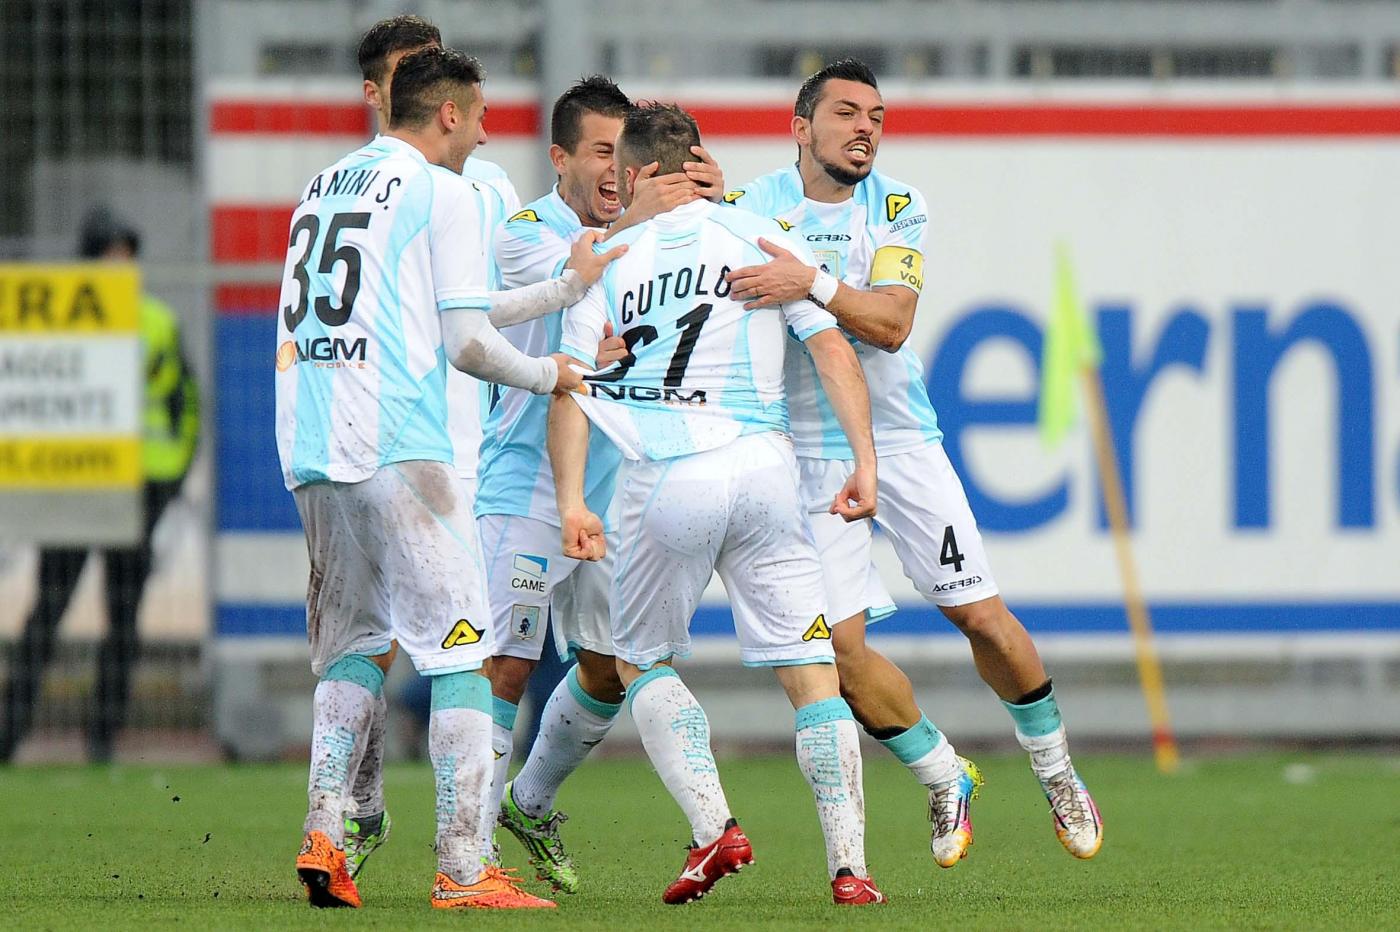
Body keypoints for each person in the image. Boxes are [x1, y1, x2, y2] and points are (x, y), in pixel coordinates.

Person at [722, 58, 1103, 861]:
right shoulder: (748, 208)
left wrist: (809, 281)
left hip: (900, 442)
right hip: (807, 454)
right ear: (801, 128)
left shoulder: (897, 206)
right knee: (837, 652)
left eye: (877, 117)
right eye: (847, 113)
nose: (866, 128)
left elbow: (891, 325)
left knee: (979, 616)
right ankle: (942, 773)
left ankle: (1057, 771)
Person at [275, 46, 622, 911]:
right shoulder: (444, 191)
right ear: (448, 115)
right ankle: (465, 867)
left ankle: (325, 832)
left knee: (354, 650)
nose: (486, 134)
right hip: (401, 446)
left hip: (313, 447)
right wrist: (549, 375)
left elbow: (452, 307)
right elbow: (466, 343)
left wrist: (561, 291)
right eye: (480, 116)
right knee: (465, 651)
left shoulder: (324, 186)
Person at [549, 102, 885, 906]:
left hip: (668, 473)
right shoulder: (759, 233)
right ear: (696, 162)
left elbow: (568, 387)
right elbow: (832, 349)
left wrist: (571, 501)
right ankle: (851, 870)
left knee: (638, 662)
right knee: (812, 672)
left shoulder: (607, 255)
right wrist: (865, 463)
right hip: (767, 469)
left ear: (633, 174)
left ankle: (714, 828)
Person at [477, 75, 722, 893]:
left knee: (612, 667)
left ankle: (530, 801)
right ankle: (470, 858)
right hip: (526, 483)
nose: (619, 172)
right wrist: (654, 211)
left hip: (613, 486)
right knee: (505, 667)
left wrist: (713, 203)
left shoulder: (654, 233)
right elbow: (585, 270)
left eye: (629, 155)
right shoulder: (526, 233)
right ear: (560, 159)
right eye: (601, 153)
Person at [0, 208, 200, 765]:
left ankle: (103, 740)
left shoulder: (154, 321)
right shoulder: (61, 319)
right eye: (111, 255)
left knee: (123, 619)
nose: (121, 266)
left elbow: (185, 408)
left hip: (137, 491)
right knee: (47, 613)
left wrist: (167, 483)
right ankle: (10, 735)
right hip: (74, 491)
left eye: (126, 255)